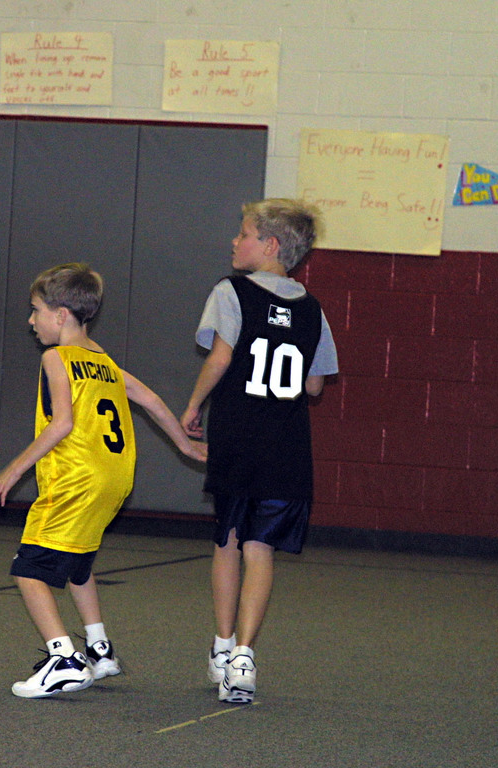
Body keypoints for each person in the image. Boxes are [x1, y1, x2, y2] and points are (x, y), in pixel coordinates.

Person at [0, 263, 207, 699]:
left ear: (61, 315)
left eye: (35, 310)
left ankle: (63, 659)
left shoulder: (56, 358)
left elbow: (62, 424)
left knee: (28, 570)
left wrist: (12, 471)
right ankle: (99, 649)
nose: (31, 321)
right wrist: (183, 445)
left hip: (77, 477)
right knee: (78, 563)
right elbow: (150, 399)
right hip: (116, 477)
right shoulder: (103, 362)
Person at [180, 198, 338, 704]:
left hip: (239, 436)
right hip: (287, 445)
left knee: (228, 539)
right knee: (260, 548)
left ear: (269, 245)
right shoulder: (313, 309)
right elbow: (314, 385)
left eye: (243, 233)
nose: (235, 240)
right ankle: (244, 657)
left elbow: (220, 356)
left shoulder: (232, 291)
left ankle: (223, 644)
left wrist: (193, 405)